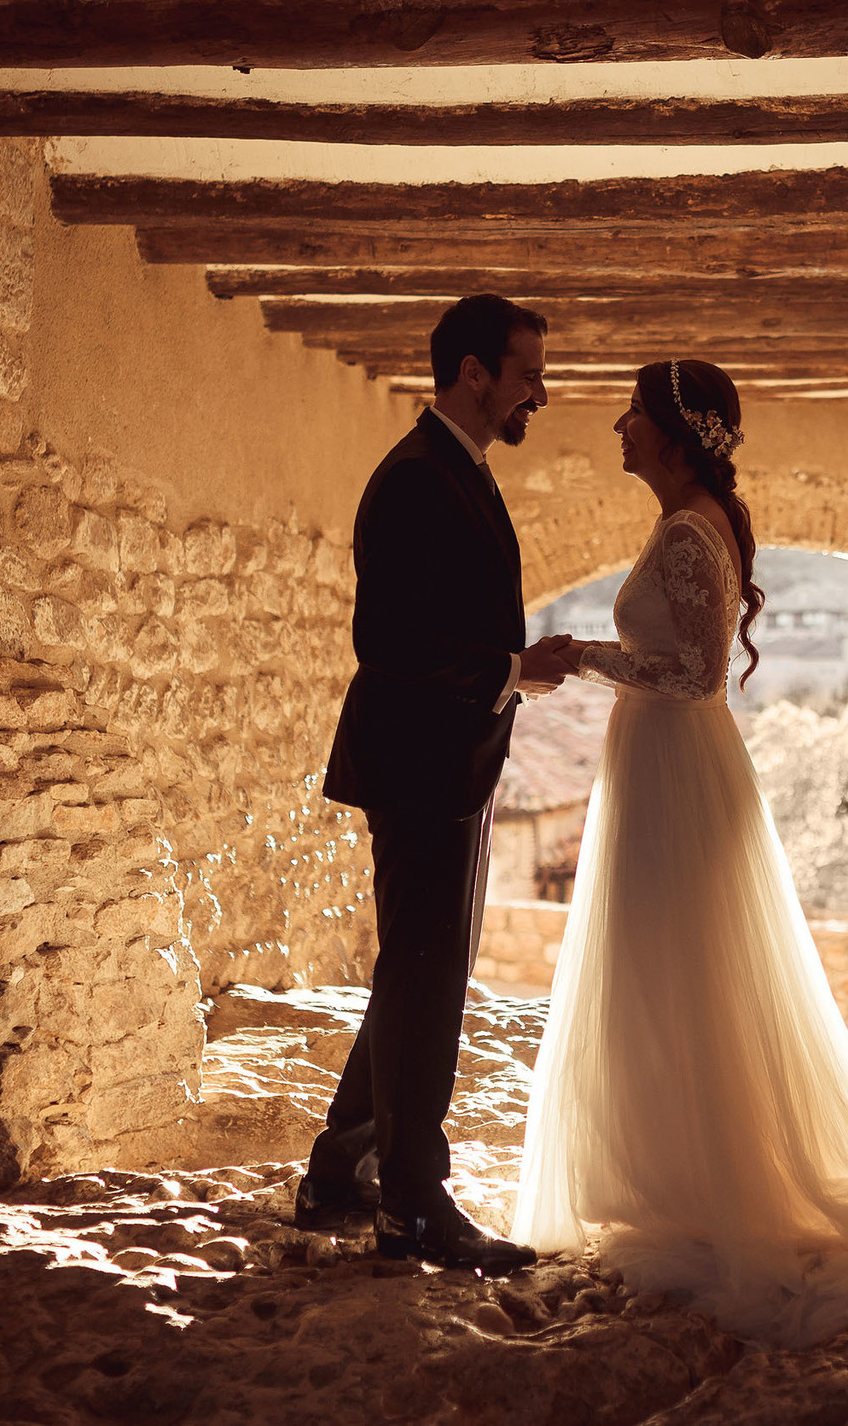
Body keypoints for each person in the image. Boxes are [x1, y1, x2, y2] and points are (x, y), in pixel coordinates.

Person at [511, 359, 848, 1344]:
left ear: (678, 436)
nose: (617, 426)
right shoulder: (689, 521)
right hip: (666, 762)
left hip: (675, 759)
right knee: (669, 971)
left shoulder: (690, 530)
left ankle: (702, 1186)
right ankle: (674, 1173)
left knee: (676, 966)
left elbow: (690, 675)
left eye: (634, 414)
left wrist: (577, 656)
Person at [296, 293, 571, 1274]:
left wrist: (511, 673)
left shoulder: (455, 470)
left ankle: (339, 1173)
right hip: (422, 761)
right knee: (425, 978)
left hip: (446, 760)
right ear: (472, 373)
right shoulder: (418, 479)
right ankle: (412, 1204)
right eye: (527, 371)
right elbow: (393, 643)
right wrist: (513, 669)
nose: (539, 390)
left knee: (414, 970)